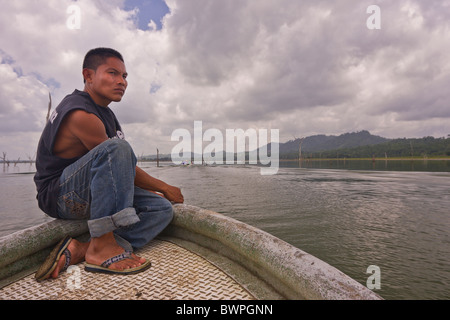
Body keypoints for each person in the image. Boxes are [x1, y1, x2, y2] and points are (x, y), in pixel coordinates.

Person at [33, 47, 183, 281]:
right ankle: (102, 246)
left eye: (124, 76)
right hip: (61, 196)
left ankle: (84, 249)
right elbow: (116, 158)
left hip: (91, 191)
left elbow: (116, 172)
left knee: (161, 209)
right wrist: (165, 186)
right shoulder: (80, 112)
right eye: (113, 73)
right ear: (89, 75)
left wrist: (153, 193)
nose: (121, 81)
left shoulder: (106, 114)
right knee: (118, 148)